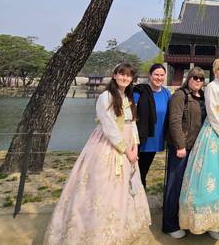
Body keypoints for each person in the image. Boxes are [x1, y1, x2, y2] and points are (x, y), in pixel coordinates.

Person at [43, 63, 150, 245]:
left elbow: (132, 124)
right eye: (121, 74)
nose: (125, 78)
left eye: (128, 76)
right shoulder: (105, 97)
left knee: (123, 189)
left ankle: (120, 229)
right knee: (100, 187)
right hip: (106, 147)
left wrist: (135, 148)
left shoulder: (128, 98)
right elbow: (109, 128)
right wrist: (125, 149)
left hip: (128, 148)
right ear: (114, 75)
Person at [179, 58, 219, 240]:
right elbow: (213, 113)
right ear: (214, 71)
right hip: (215, 132)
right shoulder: (211, 88)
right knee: (212, 173)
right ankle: (208, 222)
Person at [162, 67, 206, 239]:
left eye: (201, 78)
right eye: (195, 77)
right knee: (175, 184)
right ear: (188, 78)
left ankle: (182, 219)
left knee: (188, 186)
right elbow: (174, 121)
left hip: (195, 148)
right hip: (181, 148)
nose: (197, 81)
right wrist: (180, 145)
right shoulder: (180, 96)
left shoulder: (201, 97)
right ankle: (169, 224)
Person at [133, 63, 171, 188]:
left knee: (143, 171)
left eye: (162, 75)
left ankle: (138, 199)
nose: (159, 78)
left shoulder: (166, 93)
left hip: (155, 139)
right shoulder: (140, 92)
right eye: (156, 74)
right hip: (141, 138)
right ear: (150, 75)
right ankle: (135, 200)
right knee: (135, 172)